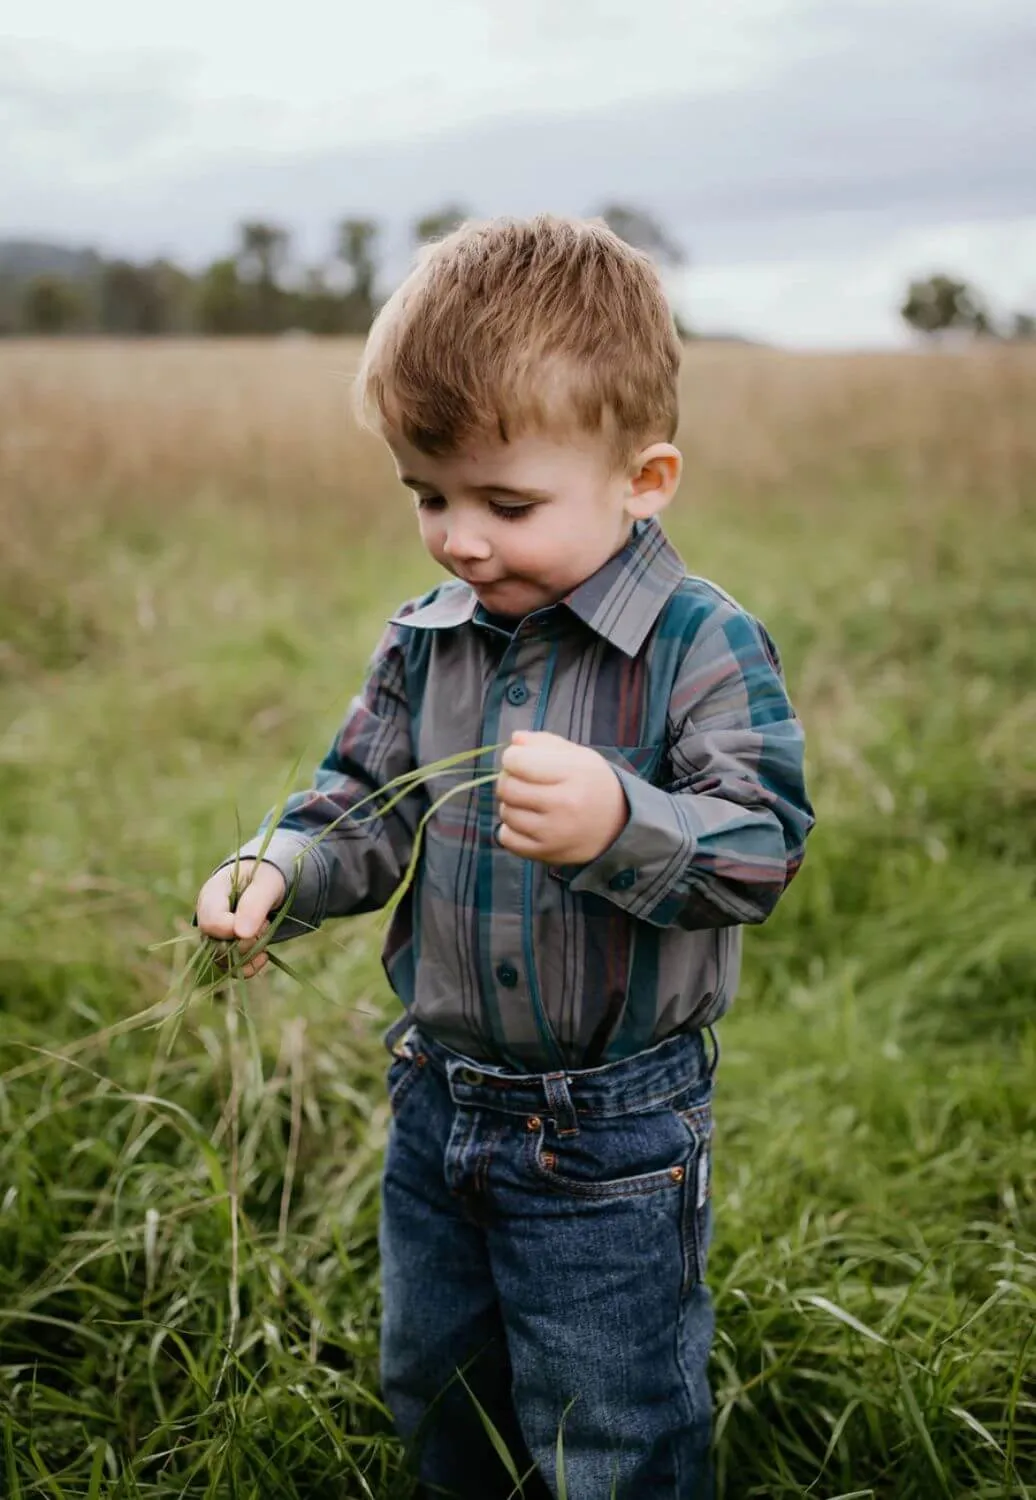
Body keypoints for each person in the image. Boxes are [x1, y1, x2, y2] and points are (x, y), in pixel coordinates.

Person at [195, 214, 815, 1499]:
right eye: (429, 495)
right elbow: (361, 801)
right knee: (437, 1380)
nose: (460, 540)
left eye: (506, 503)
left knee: (612, 1421)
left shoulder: (699, 646)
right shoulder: (432, 640)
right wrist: (281, 869)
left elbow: (759, 849)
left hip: (613, 1132)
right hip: (437, 1099)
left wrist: (620, 825)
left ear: (644, 479)